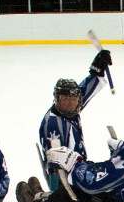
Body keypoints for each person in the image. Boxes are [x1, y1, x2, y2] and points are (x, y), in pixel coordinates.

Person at [38, 49, 113, 190]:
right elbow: (56, 160)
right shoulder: (53, 124)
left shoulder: (71, 110)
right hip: (69, 176)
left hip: (79, 168)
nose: (70, 104)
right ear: (57, 99)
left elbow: (83, 91)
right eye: (65, 100)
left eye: (74, 100)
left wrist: (96, 70)